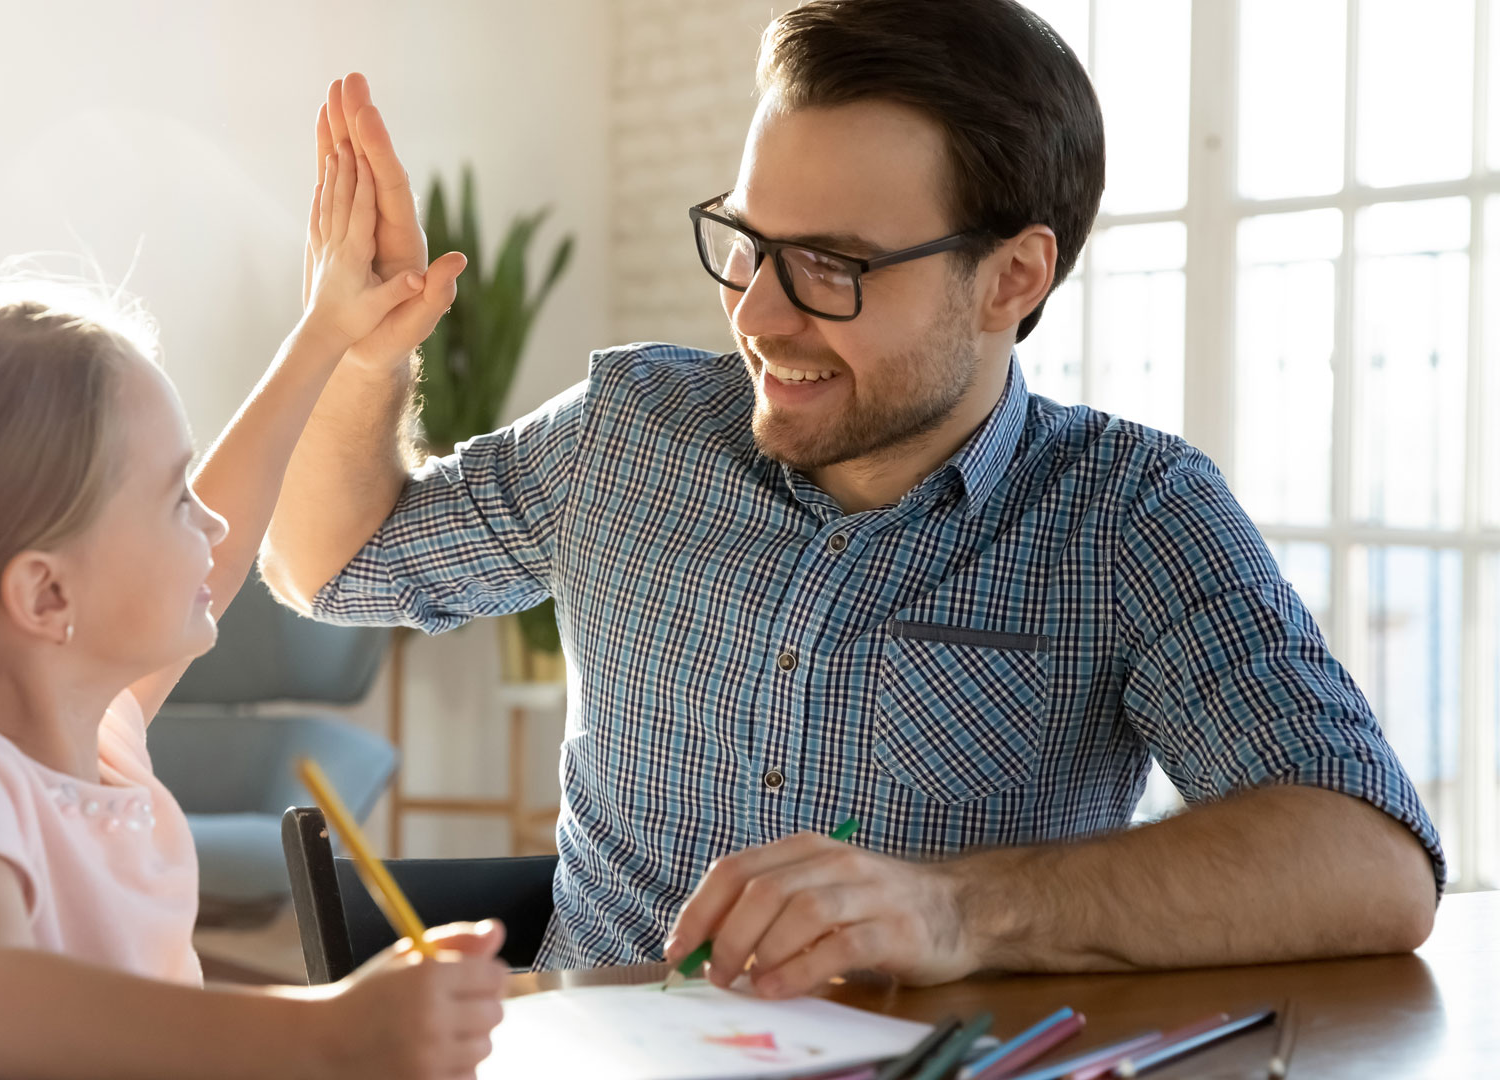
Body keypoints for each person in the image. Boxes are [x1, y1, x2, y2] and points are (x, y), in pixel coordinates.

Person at [260, 0, 1442, 999]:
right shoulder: (626, 433)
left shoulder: (1129, 516)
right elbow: (329, 563)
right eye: (747, 240)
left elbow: (1370, 862)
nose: (760, 315)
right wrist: (363, 355)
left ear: (1012, 277)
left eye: (833, 266)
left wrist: (952, 913)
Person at [0, 141, 504, 1078]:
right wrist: (325, 1033)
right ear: (46, 594)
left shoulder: (97, 744)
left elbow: (221, 552)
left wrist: (324, 335)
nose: (214, 520)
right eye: (174, 495)